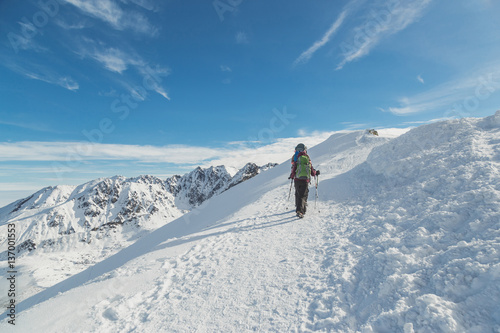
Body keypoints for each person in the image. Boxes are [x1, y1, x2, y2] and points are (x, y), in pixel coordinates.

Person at [289, 144, 320, 218]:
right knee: (303, 195)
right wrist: (316, 173)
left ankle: (298, 205)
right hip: (305, 180)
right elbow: (312, 171)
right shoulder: (307, 158)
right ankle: (300, 211)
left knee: (298, 192)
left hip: (297, 179)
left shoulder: (296, 159)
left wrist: (292, 176)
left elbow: (294, 169)